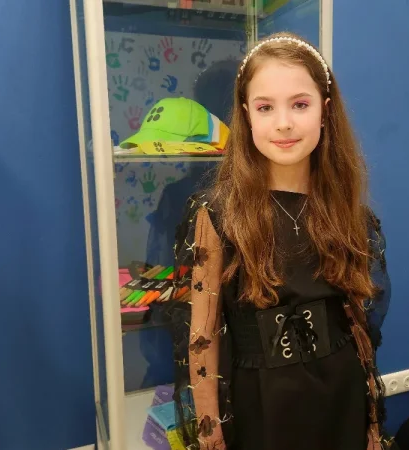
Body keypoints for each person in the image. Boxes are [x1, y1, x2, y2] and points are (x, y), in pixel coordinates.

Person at [166, 31, 392, 450]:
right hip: (261, 401)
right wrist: (210, 430)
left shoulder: (349, 213)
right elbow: (202, 335)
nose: (283, 122)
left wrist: (372, 423)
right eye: (265, 107)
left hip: (340, 394)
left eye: (300, 104)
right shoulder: (218, 215)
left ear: (324, 111)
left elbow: (359, 323)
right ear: (247, 115)